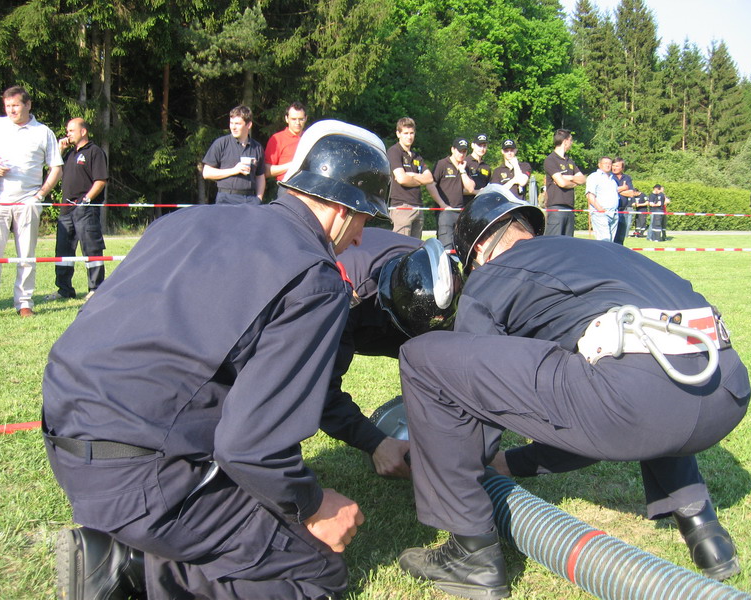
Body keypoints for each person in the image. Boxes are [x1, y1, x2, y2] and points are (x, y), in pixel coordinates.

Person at [43, 120, 392, 600]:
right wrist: (313, 505)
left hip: (63, 433)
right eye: (365, 219)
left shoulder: (186, 220)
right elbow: (250, 448)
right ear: (341, 207)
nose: (359, 239)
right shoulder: (316, 278)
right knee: (315, 573)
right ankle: (128, 565)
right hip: (136, 475)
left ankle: (134, 545)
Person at [396, 187, 750, 599]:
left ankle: (470, 556)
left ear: (477, 253)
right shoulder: (602, 252)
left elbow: (473, 408)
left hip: (640, 402)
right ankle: (704, 529)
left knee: (424, 356)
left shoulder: (491, 275)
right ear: (527, 228)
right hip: (726, 387)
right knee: (650, 365)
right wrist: (520, 462)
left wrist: (455, 461)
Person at [325, 228, 462, 479]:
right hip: (353, 306)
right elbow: (319, 390)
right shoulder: (337, 295)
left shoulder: (438, 269)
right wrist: (374, 442)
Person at [0, 86, 63, 317]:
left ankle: (24, 303)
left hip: (28, 201)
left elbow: (56, 168)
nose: (11, 110)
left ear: (28, 105)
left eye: (16, 105)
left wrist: (39, 196)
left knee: (26, 254)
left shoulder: (43, 132)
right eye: (7, 106)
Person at [45, 118, 108, 302]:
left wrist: (86, 200)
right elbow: (53, 173)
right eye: (67, 131)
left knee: (91, 249)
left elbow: (100, 180)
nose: (68, 134)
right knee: (63, 250)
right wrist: (60, 151)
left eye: (71, 130)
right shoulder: (69, 155)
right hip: (66, 209)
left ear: (83, 131)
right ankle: (64, 290)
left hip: (85, 209)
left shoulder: (95, 152)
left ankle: (95, 289)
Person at [201, 105, 265, 204]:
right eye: (231, 123)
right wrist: (234, 170)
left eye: (237, 124)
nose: (233, 127)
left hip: (250, 200)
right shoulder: (221, 143)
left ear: (249, 125)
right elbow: (206, 173)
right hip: (226, 198)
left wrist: (259, 198)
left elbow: (260, 176)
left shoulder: (257, 147)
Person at [387, 117, 435, 239]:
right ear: (398, 134)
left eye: (411, 133)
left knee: (415, 247)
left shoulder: (417, 156)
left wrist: (412, 175)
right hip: (402, 206)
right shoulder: (394, 151)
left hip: (418, 206)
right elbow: (402, 179)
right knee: (401, 246)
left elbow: (430, 179)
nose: (409, 136)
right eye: (405, 133)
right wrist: (420, 179)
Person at [428, 138, 475, 248]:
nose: (462, 154)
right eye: (459, 151)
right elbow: (430, 185)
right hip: (445, 213)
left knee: (461, 249)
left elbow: (470, 188)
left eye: (464, 151)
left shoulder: (465, 167)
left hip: (460, 212)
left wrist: (462, 171)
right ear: (453, 149)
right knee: (446, 248)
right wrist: (442, 204)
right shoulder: (442, 164)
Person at [543, 129, 585, 237]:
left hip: (570, 208)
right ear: (565, 141)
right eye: (571, 140)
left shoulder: (569, 161)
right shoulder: (550, 160)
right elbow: (562, 183)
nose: (572, 143)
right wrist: (574, 182)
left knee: (568, 244)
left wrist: (570, 177)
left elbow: (583, 179)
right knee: (554, 243)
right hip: (556, 208)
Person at [264, 101, 308, 183]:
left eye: (301, 119)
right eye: (293, 119)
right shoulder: (277, 139)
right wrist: (292, 165)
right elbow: (266, 171)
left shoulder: (310, 137)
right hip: (286, 185)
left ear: (306, 118)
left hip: (308, 185)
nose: (297, 123)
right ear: (286, 119)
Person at [585, 156, 620, 241]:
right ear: (599, 165)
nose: (608, 165)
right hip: (600, 214)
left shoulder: (613, 179)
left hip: (614, 213)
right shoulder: (594, 177)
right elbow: (590, 195)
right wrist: (599, 209)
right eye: (605, 163)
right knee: (604, 240)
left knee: (611, 242)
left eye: (609, 164)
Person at [612, 157, 640, 245]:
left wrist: (617, 190)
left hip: (624, 210)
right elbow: (608, 191)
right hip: (612, 210)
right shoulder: (609, 177)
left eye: (617, 166)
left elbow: (631, 193)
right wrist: (623, 188)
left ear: (622, 168)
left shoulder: (627, 178)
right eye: (613, 165)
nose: (614, 168)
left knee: (621, 236)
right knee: (611, 236)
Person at [463, 133, 492, 204]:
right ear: (472, 145)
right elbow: (458, 190)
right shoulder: (464, 163)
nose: (482, 149)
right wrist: (477, 192)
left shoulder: (486, 167)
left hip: (481, 205)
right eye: (479, 145)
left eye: (484, 146)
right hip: (466, 204)